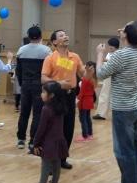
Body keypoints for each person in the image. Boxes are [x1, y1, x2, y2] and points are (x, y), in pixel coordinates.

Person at [96, 21, 137, 183]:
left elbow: (100, 73)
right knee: (134, 147)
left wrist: (100, 54)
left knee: (123, 150)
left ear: (125, 35)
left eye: (124, 28)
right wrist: (125, 34)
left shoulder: (120, 55)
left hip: (123, 109)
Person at [42, 29, 85, 169]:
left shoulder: (75, 57)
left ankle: (62, 158)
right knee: (54, 129)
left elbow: (83, 74)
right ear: (54, 42)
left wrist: (92, 68)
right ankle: (51, 162)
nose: (65, 36)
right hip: (55, 95)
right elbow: (43, 78)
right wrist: (58, 83)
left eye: (66, 34)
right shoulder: (50, 58)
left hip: (70, 95)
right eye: (61, 35)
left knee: (68, 127)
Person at [29, 81, 69, 183]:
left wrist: (36, 143)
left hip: (48, 142)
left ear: (51, 95)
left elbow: (41, 129)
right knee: (56, 163)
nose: (41, 94)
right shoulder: (60, 108)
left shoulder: (46, 109)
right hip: (59, 140)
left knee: (46, 164)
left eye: (43, 92)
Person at [16, 26, 52, 150]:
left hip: (25, 84)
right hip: (39, 85)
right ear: (41, 36)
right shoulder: (46, 51)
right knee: (37, 114)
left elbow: (18, 70)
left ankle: (21, 140)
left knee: (24, 113)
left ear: (28, 36)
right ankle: (32, 141)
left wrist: (22, 83)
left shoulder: (21, 50)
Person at [93, 37, 120, 121]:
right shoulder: (109, 53)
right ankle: (101, 113)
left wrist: (101, 56)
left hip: (116, 77)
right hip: (108, 76)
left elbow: (111, 63)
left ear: (115, 46)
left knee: (116, 96)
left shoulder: (119, 53)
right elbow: (106, 62)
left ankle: (117, 114)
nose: (110, 47)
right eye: (109, 46)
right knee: (104, 93)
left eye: (111, 46)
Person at [75, 61, 97, 142]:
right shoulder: (93, 79)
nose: (84, 67)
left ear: (88, 68)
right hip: (90, 100)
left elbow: (82, 92)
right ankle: (90, 134)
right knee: (87, 117)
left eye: (85, 66)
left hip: (84, 101)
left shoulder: (85, 79)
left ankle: (85, 136)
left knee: (82, 118)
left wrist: (77, 101)